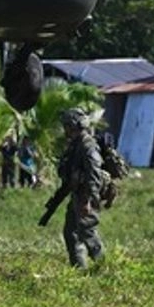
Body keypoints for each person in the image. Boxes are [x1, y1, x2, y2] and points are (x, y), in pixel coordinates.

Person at [56, 107, 106, 268]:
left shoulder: (87, 145)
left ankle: (103, 266)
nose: (65, 129)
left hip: (85, 196)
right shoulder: (76, 144)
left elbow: (94, 174)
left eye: (67, 125)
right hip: (78, 194)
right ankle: (79, 270)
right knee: (71, 232)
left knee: (87, 232)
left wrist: (89, 200)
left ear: (73, 125)